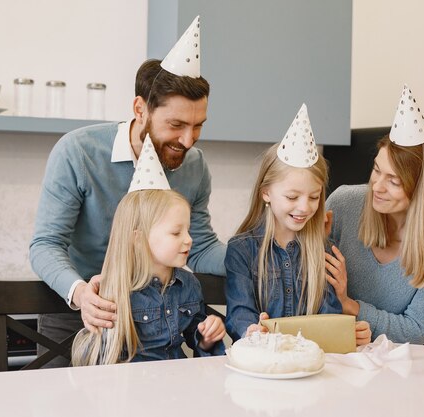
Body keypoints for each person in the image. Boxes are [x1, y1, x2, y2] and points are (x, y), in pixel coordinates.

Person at [30, 17, 225, 367]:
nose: (188, 140)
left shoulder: (194, 166)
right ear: (140, 109)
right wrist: (80, 294)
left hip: (157, 319)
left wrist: (254, 258)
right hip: (84, 313)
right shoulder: (78, 152)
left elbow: (202, 246)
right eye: (176, 125)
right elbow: (46, 245)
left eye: (198, 126)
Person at [325, 86, 424, 344]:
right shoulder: (343, 204)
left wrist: (350, 306)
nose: (377, 186)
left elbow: (415, 331)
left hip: (395, 370)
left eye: (393, 181)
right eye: (376, 170)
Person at [225, 104, 371, 345]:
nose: (304, 208)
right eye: (292, 197)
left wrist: (349, 331)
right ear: (266, 193)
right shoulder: (242, 250)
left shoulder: (324, 250)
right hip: (266, 366)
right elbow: (239, 313)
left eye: (314, 197)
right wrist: (251, 330)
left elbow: (330, 317)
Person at [71, 188, 226, 365]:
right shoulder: (116, 291)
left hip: (177, 382)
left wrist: (208, 337)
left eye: (188, 231)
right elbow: (102, 360)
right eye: (176, 233)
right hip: (131, 386)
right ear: (138, 239)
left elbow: (197, 339)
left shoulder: (189, 284)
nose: (189, 239)